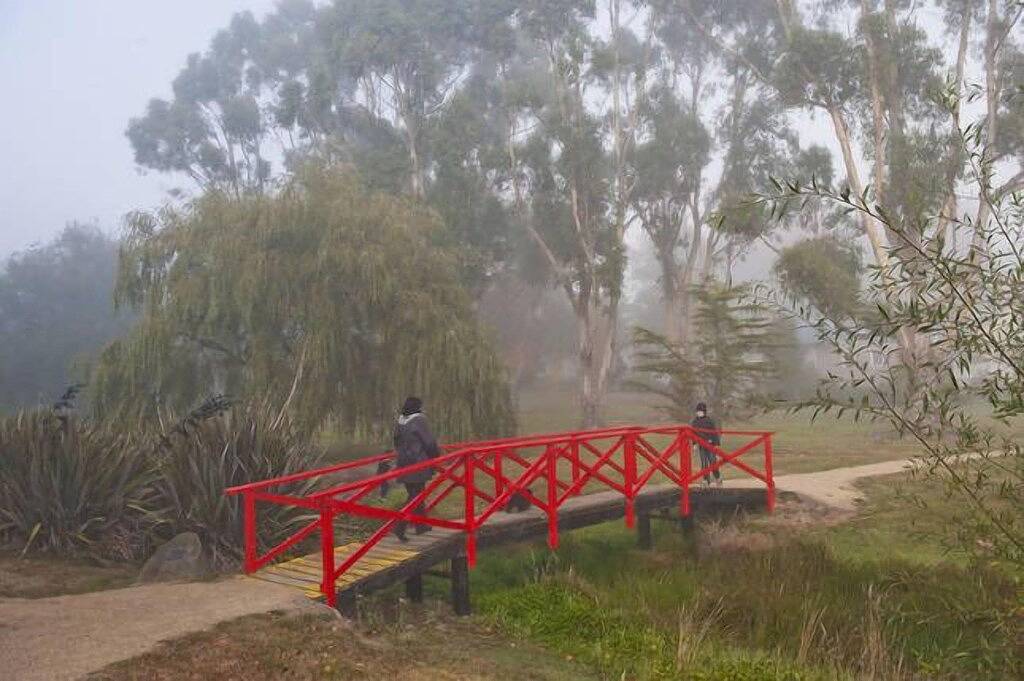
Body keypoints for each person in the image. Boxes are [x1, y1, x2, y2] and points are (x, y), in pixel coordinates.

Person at [392, 396, 441, 541]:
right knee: (416, 495)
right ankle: (400, 525)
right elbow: (429, 442)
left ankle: (421, 526)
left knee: (415, 493)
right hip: (418, 462)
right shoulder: (419, 420)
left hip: (403, 462)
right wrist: (435, 457)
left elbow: (396, 441)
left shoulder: (400, 421)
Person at [691, 402, 722, 488]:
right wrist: (694, 444)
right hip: (701, 445)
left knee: (712, 462)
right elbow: (693, 433)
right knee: (704, 464)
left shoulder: (709, 420)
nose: (698, 413)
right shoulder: (695, 422)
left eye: (700, 411)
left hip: (710, 444)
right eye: (698, 411)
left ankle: (718, 478)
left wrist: (715, 443)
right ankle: (705, 480)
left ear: (704, 411)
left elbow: (714, 432)